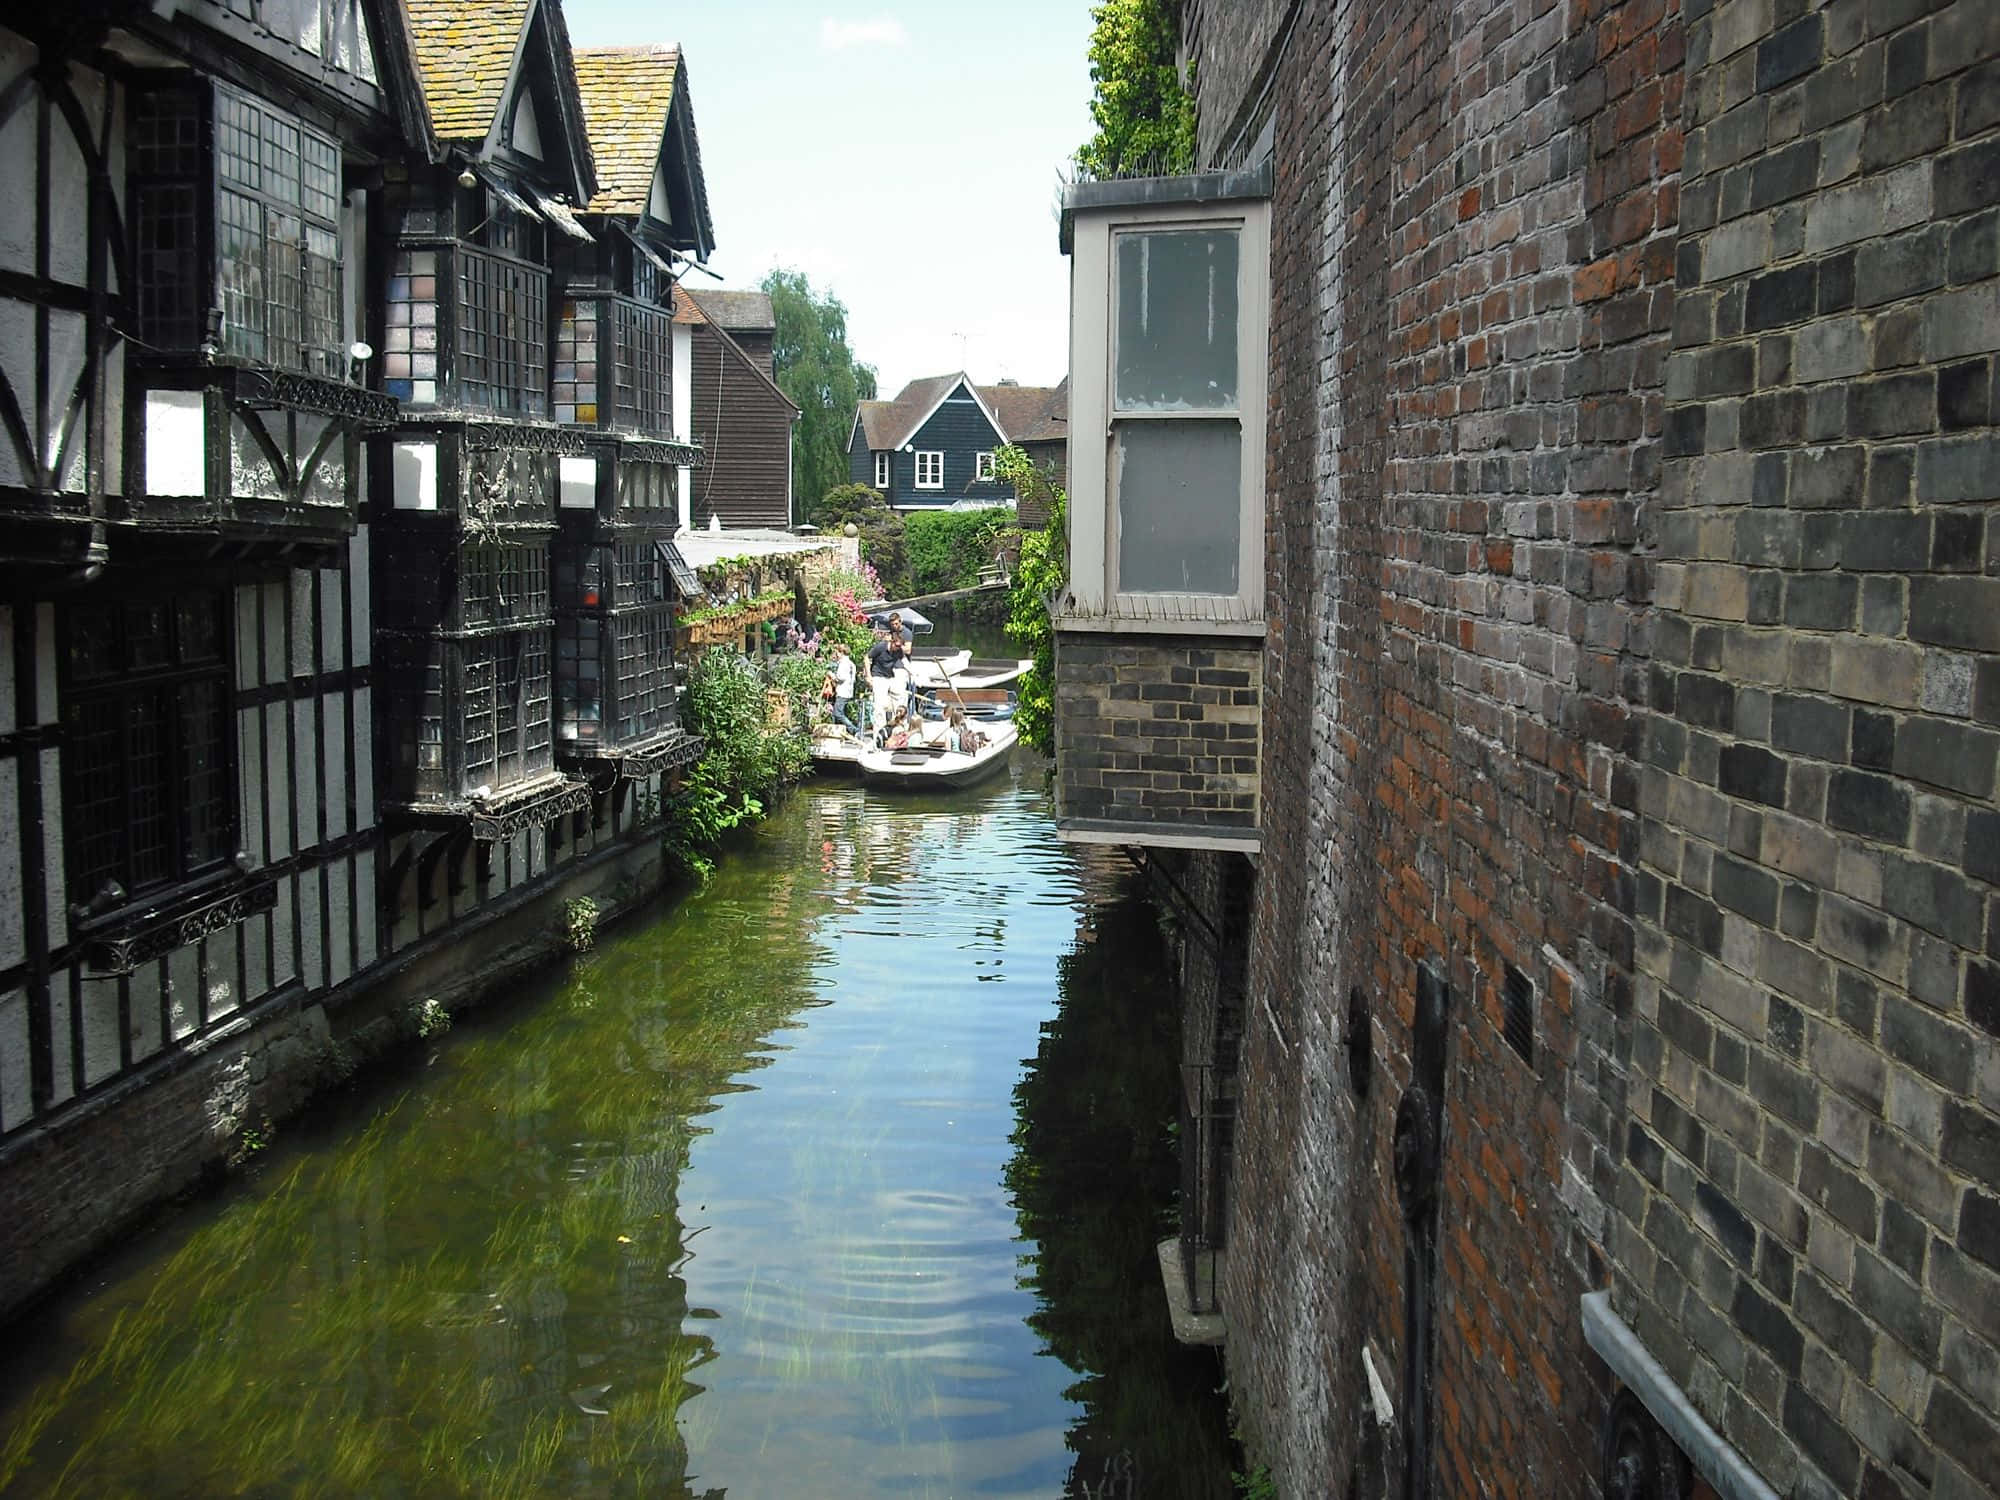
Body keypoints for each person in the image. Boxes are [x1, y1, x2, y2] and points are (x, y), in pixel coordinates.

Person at [866, 625, 900, 735]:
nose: (897, 649)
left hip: (890, 677)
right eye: (896, 646)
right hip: (878, 676)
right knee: (879, 706)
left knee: (898, 700)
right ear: (892, 642)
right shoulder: (881, 647)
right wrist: (868, 676)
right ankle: (878, 731)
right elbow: (866, 657)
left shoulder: (899, 651)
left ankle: (894, 727)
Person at [828, 642, 858, 736]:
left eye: (837, 653)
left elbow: (840, 678)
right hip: (848, 691)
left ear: (841, 653)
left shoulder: (844, 664)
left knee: (837, 713)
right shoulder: (851, 663)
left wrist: (831, 675)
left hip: (842, 692)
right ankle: (840, 732)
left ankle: (853, 729)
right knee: (839, 712)